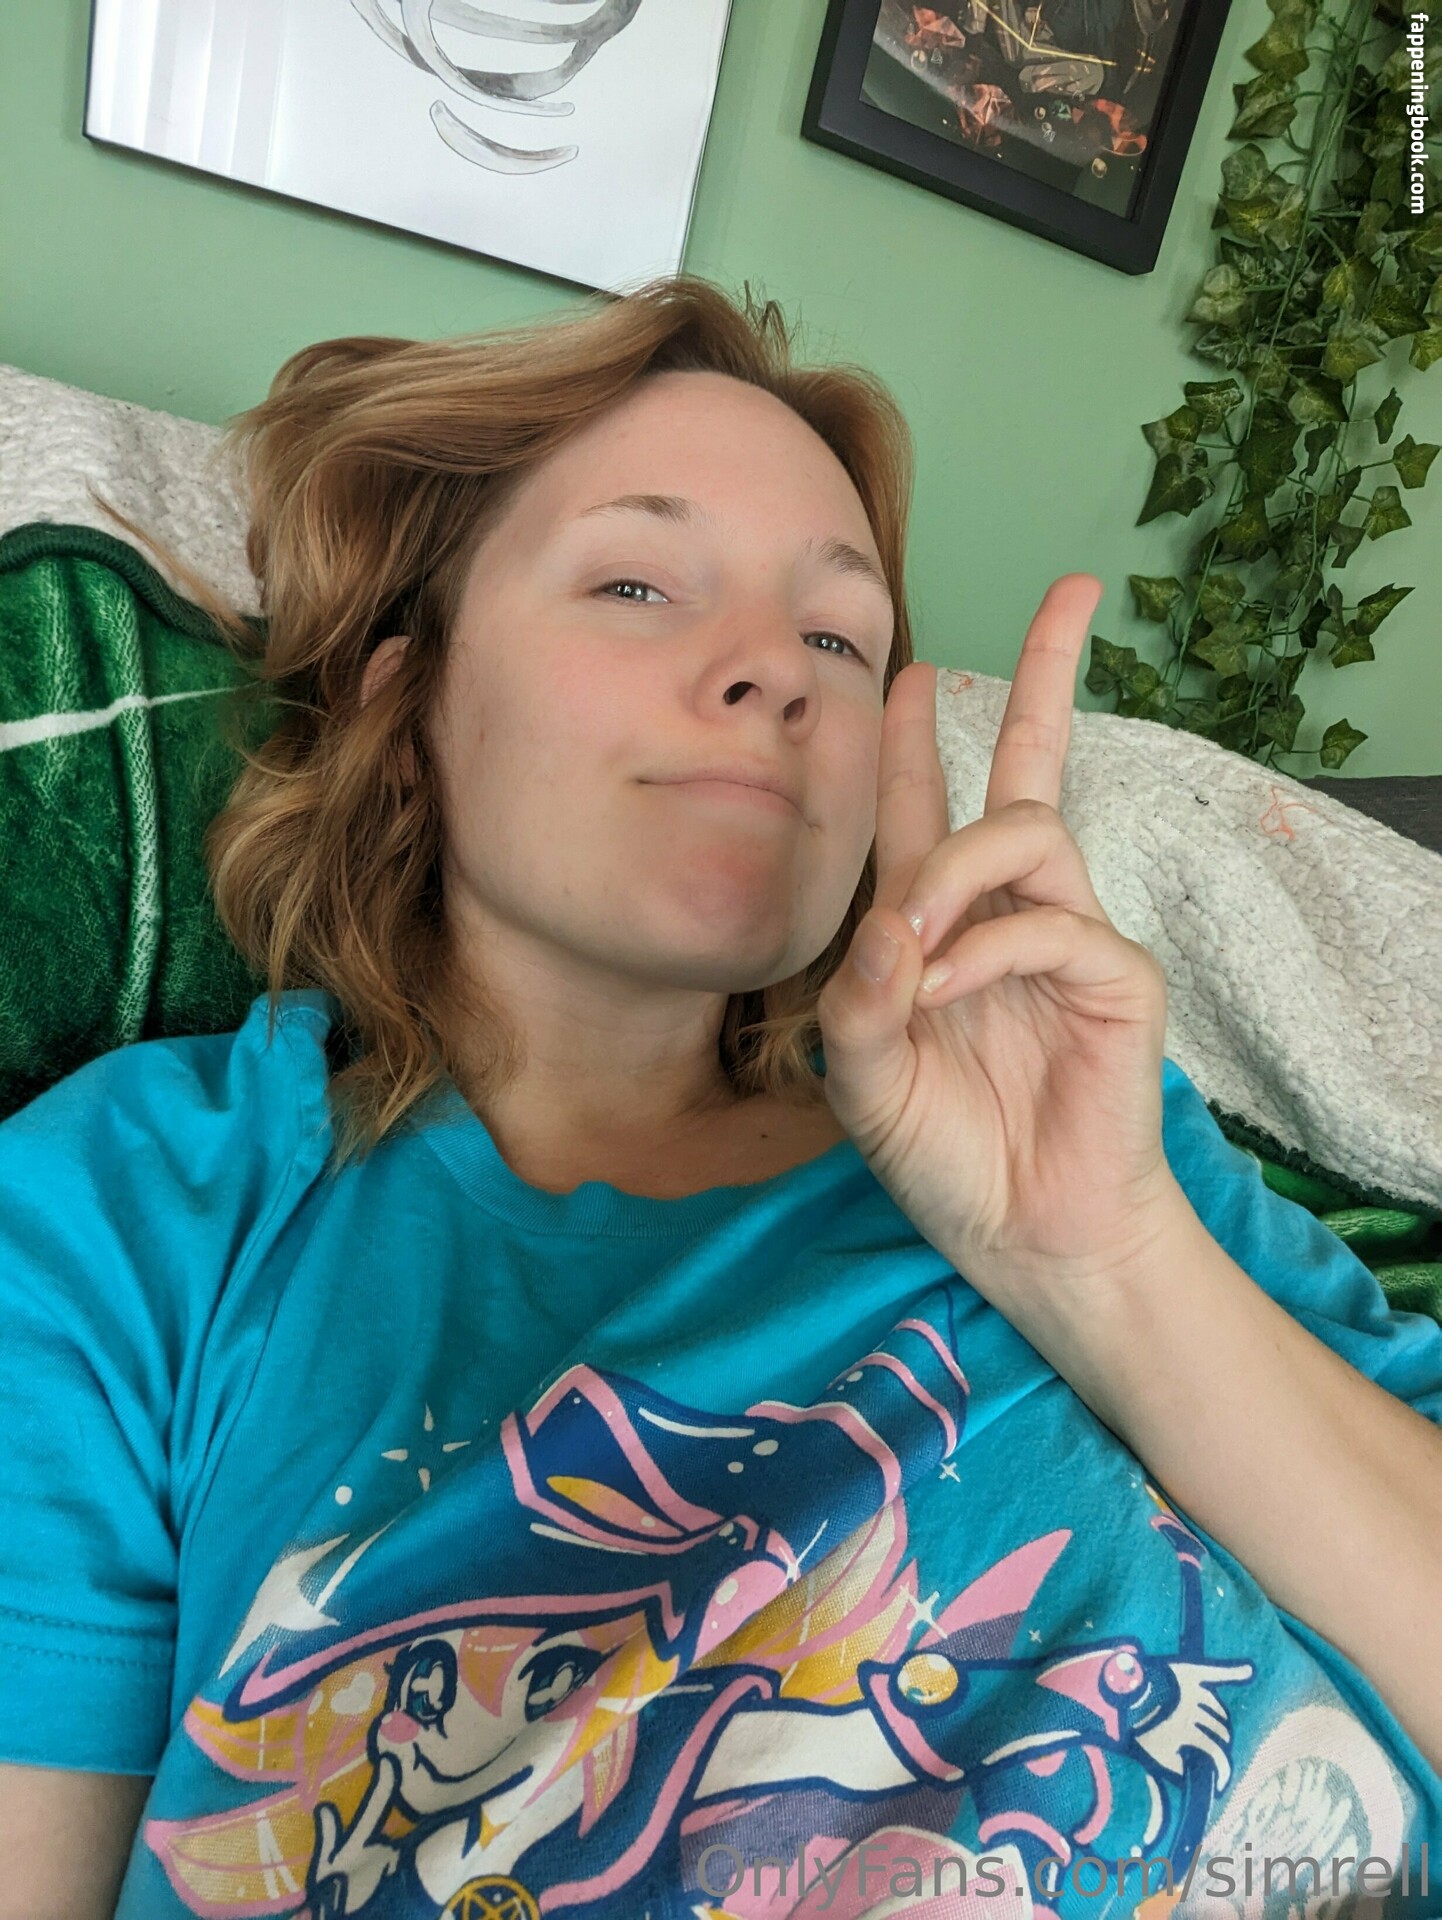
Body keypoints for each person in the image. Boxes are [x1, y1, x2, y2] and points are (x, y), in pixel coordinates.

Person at [0, 274, 1439, 1920]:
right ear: (403, 713)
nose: (776, 671)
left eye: (838, 635)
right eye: (635, 583)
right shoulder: (141, 1213)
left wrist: (1101, 1260)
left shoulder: (1094, 1128)